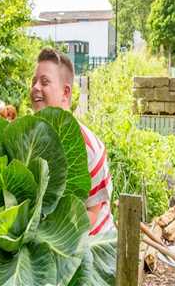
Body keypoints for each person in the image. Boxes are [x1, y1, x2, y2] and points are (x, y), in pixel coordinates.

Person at [30, 48, 114, 235]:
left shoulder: (88, 147)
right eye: (33, 81)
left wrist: (52, 242)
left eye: (44, 82)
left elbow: (89, 215)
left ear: (65, 93)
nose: (35, 87)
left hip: (90, 250)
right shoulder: (31, 139)